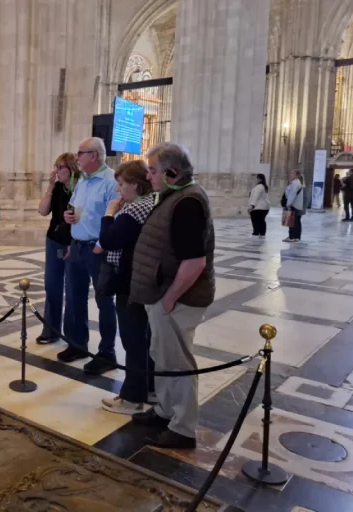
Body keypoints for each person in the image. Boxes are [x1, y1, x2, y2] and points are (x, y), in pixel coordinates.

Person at [130, 142, 215, 450]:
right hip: (164, 294)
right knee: (162, 355)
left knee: (178, 363)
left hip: (177, 299)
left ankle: (183, 428)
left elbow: (195, 261)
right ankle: (166, 411)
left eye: (153, 171)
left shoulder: (187, 202)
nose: (149, 176)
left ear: (172, 172)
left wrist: (170, 298)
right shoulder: (175, 196)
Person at [98, 160, 156, 415]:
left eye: (121, 184)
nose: (119, 189)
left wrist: (109, 213)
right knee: (144, 338)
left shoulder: (135, 210)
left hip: (130, 280)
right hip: (143, 279)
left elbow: (109, 240)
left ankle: (133, 397)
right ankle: (148, 387)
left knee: (133, 339)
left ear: (134, 184)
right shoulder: (149, 204)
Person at [59, 137, 120, 375]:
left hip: (97, 249)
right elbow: (73, 208)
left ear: (94, 155)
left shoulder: (111, 182)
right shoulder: (82, 182)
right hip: (77, 246)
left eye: (80, 153)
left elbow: (113, 217)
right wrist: (68, 217)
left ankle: (107, 353)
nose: (77, 158)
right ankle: (78, 344)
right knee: (75, 297)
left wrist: (101, 245)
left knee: (105, 302)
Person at [35, 153, 80, 344]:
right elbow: (43, 210)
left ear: (71, 169)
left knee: (71, 289)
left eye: (61, 167)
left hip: (74, 241)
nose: (57, 171)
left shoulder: (80, 189)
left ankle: (71, 335)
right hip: (54, 240)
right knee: (51, 285)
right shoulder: (58, 188)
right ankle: (51, 330)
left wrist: (73, 244)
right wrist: (51, 186)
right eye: (56, 166)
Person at [283, 169, 305, 241]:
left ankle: (291, 237)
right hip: (297, 205)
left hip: (293, 205)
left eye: (293, 173)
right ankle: (296, 237)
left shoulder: (295, 183)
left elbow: (292, 195)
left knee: (291, 222)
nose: (291, 174)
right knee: (296, 222)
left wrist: (288, 204)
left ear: (297, 175)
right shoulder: (297, 183)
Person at [248, 174, 270, 238]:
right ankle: (262, 233)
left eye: (256, 178)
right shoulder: (264, 186)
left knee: (255, 221)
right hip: (264, 207)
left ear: (259, 179)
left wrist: (252, 206)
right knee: (262, 221)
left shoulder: (259, 187)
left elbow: (255, 197)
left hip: (258, 207)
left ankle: (256, 233)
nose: (255, 180)